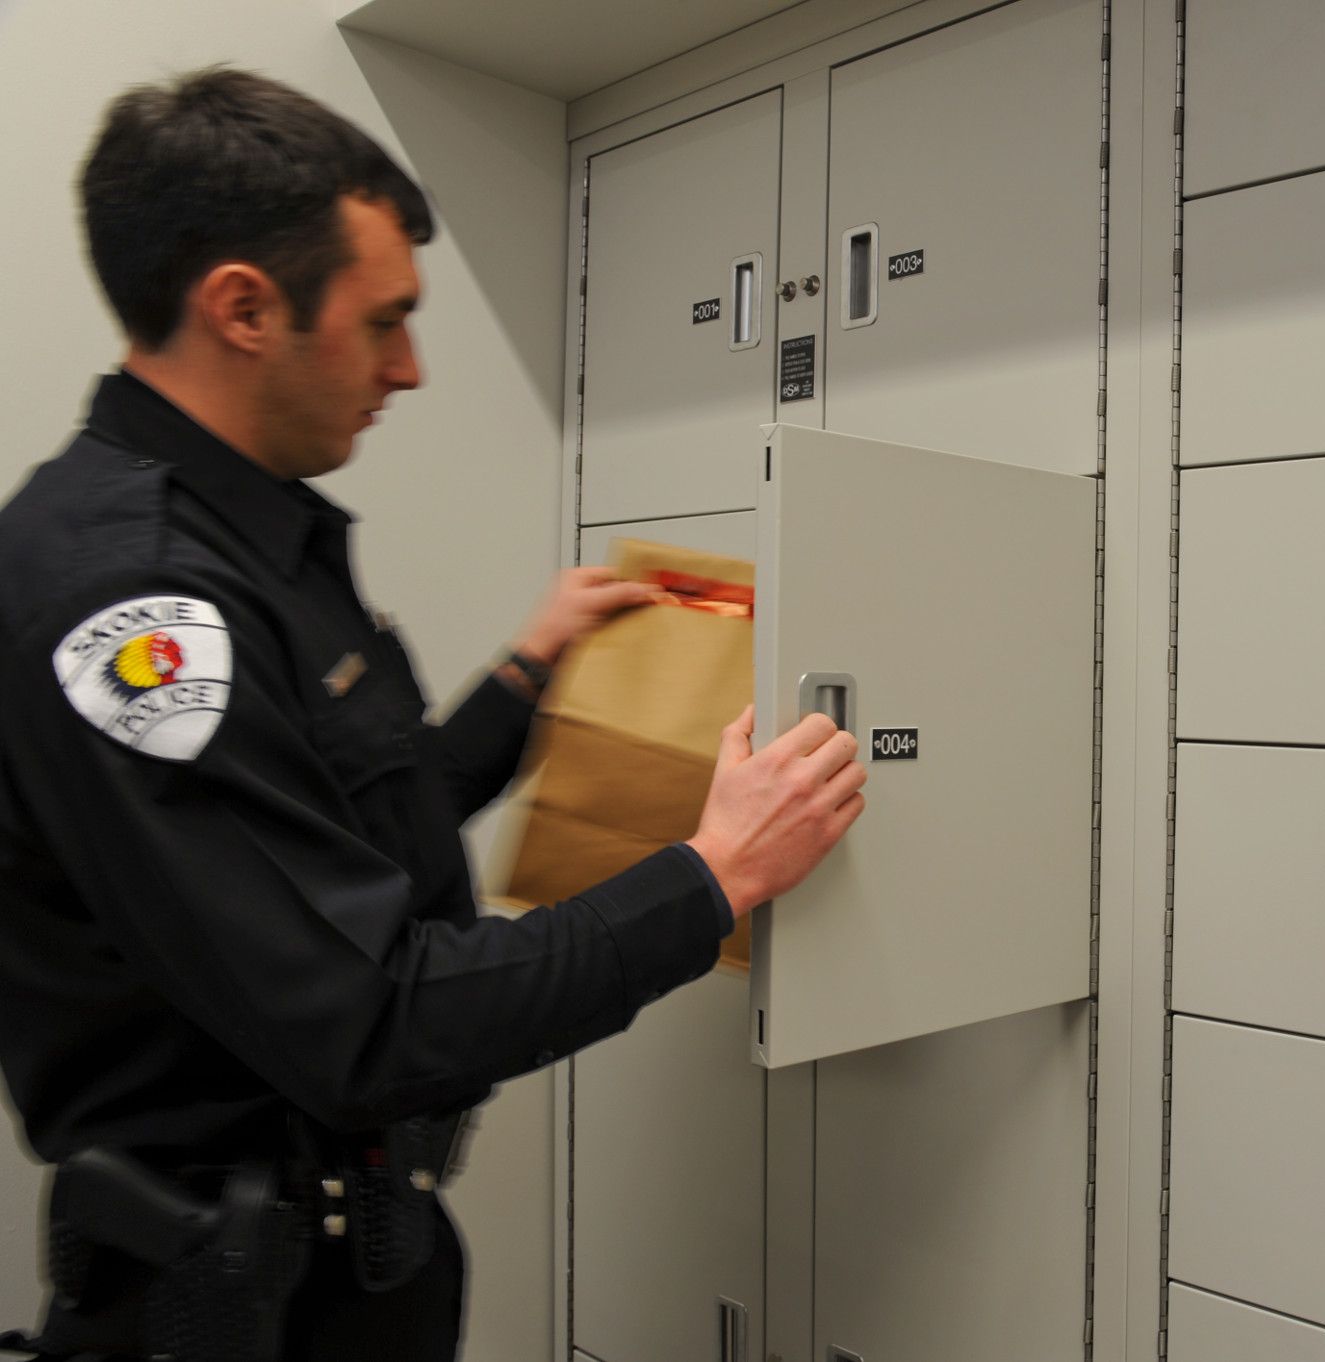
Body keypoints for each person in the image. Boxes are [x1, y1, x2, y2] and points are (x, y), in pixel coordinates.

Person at [0, 66, 866, 1362]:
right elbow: (374, 1019)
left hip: (347, 1264)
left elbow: (339, 827)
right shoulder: (139, 603)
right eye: (383, 321)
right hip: (231, 1312)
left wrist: (529, 672)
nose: (409, 369)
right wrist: (712, 876)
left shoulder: (245, 538)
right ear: (241, 306)